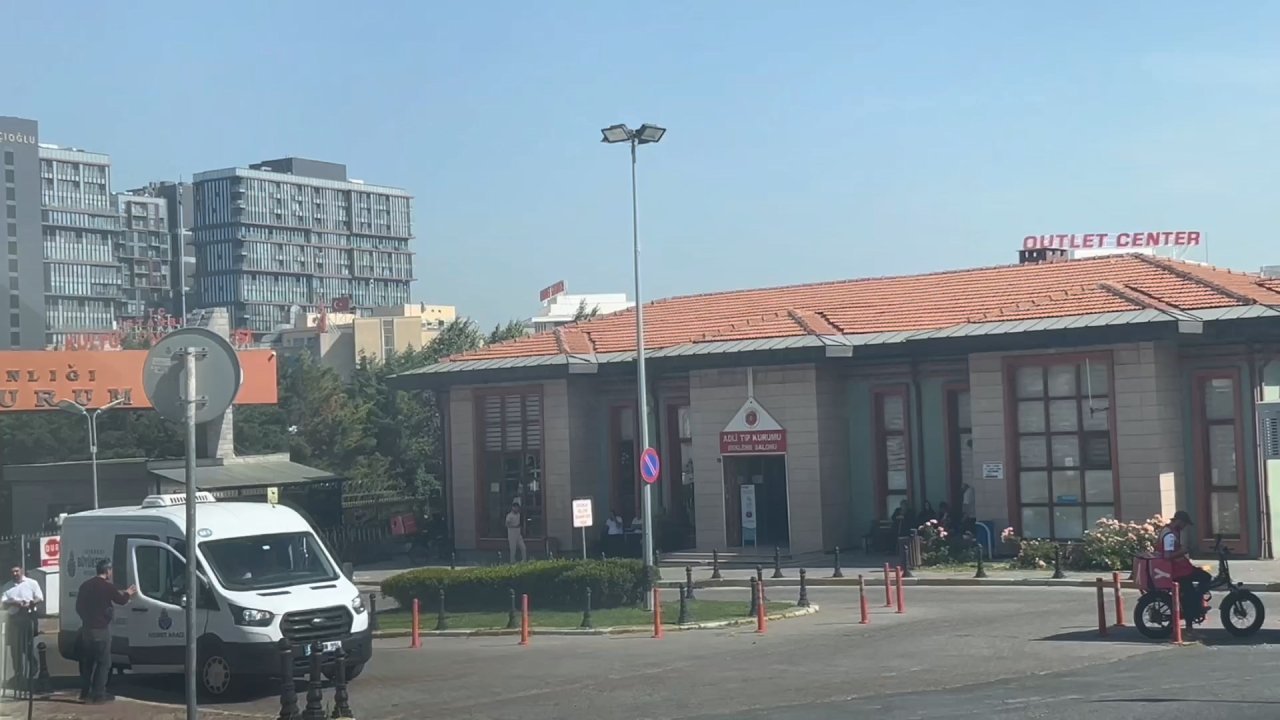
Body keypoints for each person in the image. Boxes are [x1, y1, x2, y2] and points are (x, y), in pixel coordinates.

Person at [75, 560, 135, 704]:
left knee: (88, 663)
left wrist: (87, 619)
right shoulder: (107, 587)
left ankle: (85, 693)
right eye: (111, 570)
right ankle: (99, 694)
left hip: (87, 630)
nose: (111, 573)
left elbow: (78, 607)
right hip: (101, 630)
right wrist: (128, 593)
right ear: (107, 571)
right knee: (104, 663)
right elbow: (121, 600)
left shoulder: (85, 585)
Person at [1158, 510, 1211, 631]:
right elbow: (1167, 556)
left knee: (1196, 584)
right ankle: (1190, 620)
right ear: (1179, 521)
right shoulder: (1169, 535)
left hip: (1181, 568)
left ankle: (1196, 604)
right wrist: (1183, 551)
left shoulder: (1171, 531)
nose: (1185, 527)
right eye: (1185, 524)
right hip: (1178, 571)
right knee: (1196, 587)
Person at [2, 565, 43, 690]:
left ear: (22, 571)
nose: (15, 574)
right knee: (15, 648)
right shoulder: (7, 586)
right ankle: (18, 674)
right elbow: (3, 602)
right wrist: (14, 602)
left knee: (27, 644)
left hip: (28, 616)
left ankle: (33, 665)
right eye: (12, 572)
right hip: (14, 618)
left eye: (17, 571)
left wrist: (31, 602)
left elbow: (39, 597)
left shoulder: (31, 583)